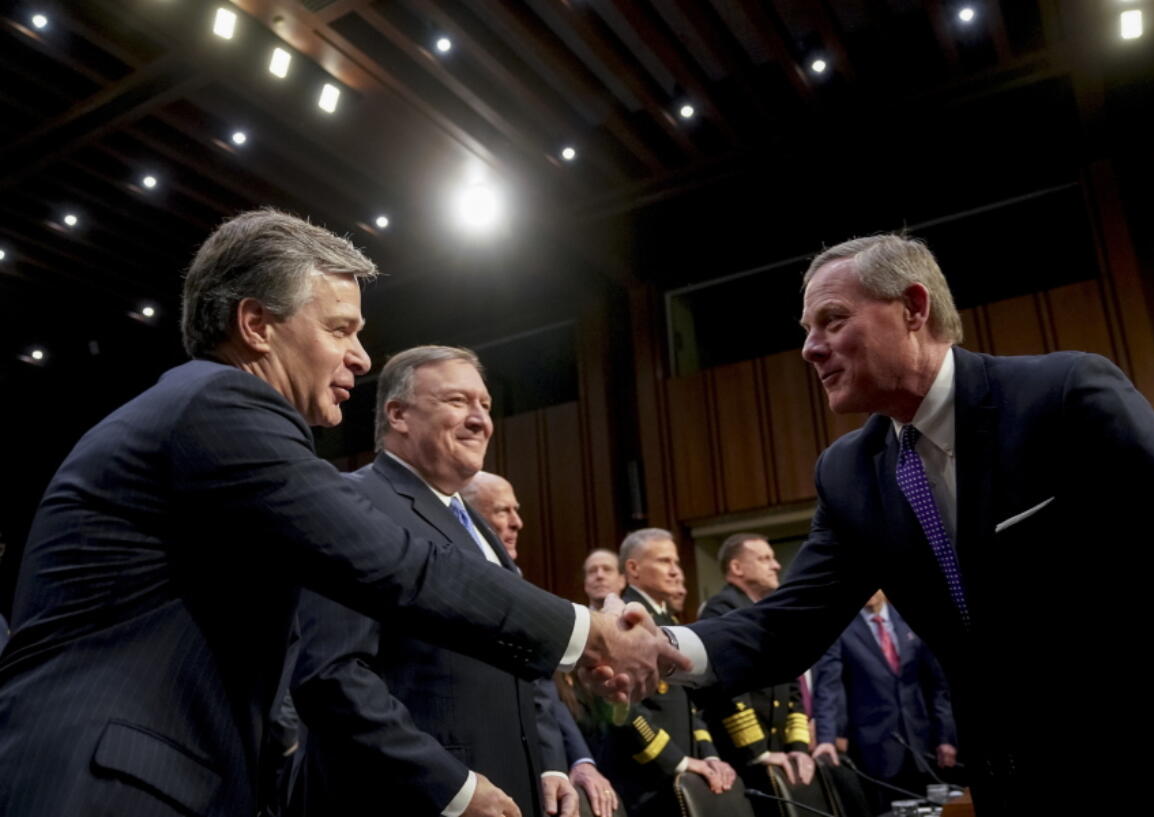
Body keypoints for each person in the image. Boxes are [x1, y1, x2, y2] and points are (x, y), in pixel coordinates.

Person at [0, 210, 682, 817]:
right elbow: (395, 565)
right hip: (114, 780)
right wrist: (584, 629)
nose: (360, 354)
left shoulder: (207, 419)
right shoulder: (221, 406)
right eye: (339, 328)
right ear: (256, 324)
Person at [660, 234, 1154, 816]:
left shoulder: (1064, 396)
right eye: (807, 329)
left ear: (913, 308)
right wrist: (666, 647)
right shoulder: (850, 473)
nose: (810, 348)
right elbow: (789, 623)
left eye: (831, 320)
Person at [294, 347, 579, 817]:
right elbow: (330, 676)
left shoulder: (476, 524)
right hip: (414, 799)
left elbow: (522, 660)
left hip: (514, 790)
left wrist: (549, 764)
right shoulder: (353, 502)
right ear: (398, 414)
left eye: (485, 405)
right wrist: (452, 787)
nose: (479, 420)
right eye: (457, 402)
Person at [463, 471, 621, 817]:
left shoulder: (516, 581)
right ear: (465, 515)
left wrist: (576, 760)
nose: (517, 522)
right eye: (503, 511)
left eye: (516, 510)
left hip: (536, 764)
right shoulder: (462, 580)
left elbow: (542, 692)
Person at [601, 529, 738, 817]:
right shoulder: (621, 619)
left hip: (680, 775)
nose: (676, 572)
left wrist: (709, 755)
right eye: (665, 562)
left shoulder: (667, 621)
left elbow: (691, 704)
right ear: (634, 569)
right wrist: (678, 761)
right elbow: (622, 709)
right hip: (644, 780)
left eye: (676, 563)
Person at [813, 591, 955, 810]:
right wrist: (826, 737)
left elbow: (937, 685)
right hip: (873, 750)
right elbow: (828, 687)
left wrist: (945, 736)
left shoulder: (909, 618)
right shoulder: (840, 627)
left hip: (922, 745)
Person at [699, 534, 813, 790]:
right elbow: (728, 688)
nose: (776, 565)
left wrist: (798, 747)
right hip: (744, 758)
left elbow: (793, 683)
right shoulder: (721, 609)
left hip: (780, 752)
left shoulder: (772, 610)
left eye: (773, 558)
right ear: (737, 568)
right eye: (764, 559)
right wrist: (758, 751)